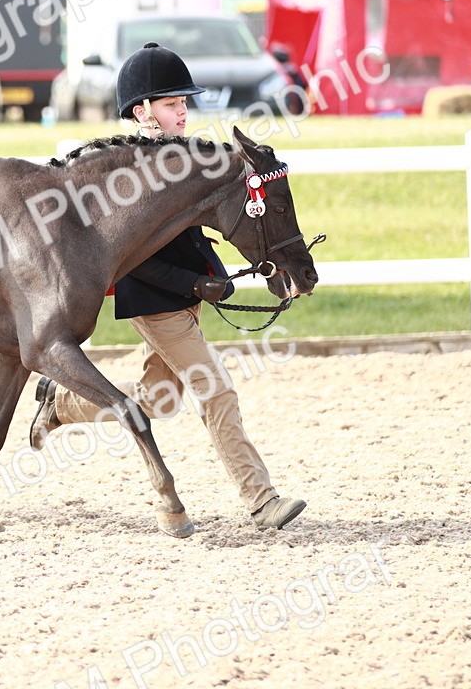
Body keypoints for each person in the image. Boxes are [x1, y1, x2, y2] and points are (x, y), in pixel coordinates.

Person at [30, 41, 306, 531]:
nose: (184, 111)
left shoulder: (182, 156)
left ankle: (60, 403)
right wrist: (198, 284)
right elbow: (132, 261)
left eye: (184, 103)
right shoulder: (127, 172)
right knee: (216, 390)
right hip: (155, 300)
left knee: (159, 399)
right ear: (143, 111)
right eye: (173, 104)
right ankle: (261, 499)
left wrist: (228, 271)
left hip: (189, 296)